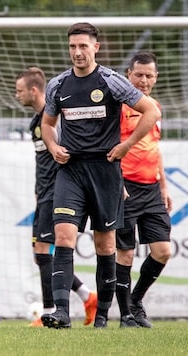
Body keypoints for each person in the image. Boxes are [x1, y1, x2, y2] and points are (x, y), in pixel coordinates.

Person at [39, 23, 161, 329]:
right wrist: (53, 145)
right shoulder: (58, 85)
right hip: (70, 171)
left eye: (83, 46)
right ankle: (62, 312)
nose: (77, 52)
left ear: (96, 47)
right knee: (64, 236)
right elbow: (47, 123)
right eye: (72, 47)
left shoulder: (111, 81)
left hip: (105, 171)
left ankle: (103, 316)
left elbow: (151, 112)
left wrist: (126, 145)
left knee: (105, 246)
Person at [15, 66, 98, 327]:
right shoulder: (35, 122)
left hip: (56, 191)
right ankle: (87, 296)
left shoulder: (56, 121)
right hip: (44, 194)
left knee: (43, 250)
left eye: (19, 91)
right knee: (40, 253)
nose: (17, 96)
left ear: (34, 90)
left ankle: (49, 310)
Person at [115, 52, 171, 328]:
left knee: (163, 250)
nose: (144, 80)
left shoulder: (155, 107)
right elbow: (109, 149)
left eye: (149, 75)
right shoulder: (119, 107)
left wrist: (163, 185)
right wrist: (118, 183)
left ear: (156, 78)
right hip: (126, 188)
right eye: (139, 74)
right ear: (128, 75)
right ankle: (126, 315)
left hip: (152, 190)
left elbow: (154, 147)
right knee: (124, 252)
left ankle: (136, 302)